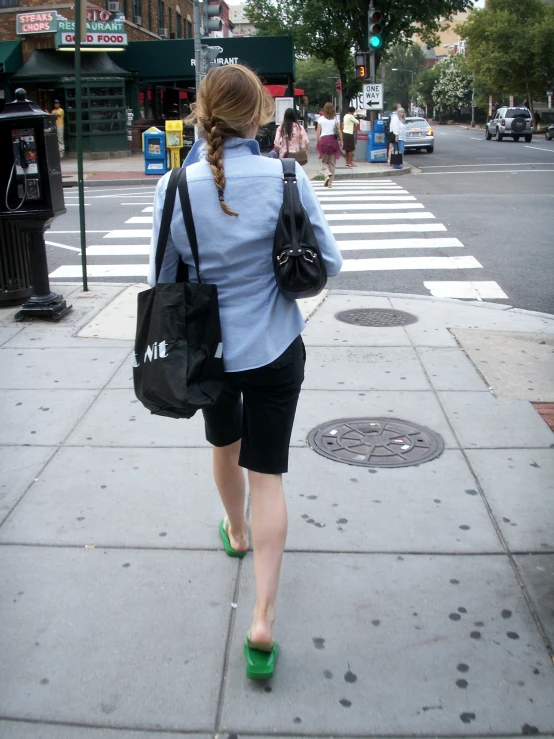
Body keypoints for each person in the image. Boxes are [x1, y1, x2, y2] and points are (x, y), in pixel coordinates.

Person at [147, 64, 342, 681]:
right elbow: (328, 261)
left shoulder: (176, 187)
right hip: (277, 349)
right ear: (259, 113)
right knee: (270, 476)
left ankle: (234, 531)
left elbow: (161, 283)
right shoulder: (288, 176)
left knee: (224, 446)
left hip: (209, 354)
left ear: (201, 114)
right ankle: (262, 617)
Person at [315, 102, 343, 188]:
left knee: (323, 162)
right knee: (332, 163)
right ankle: (330, 183)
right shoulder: (335, 119)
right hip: (333, 141)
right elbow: (339, 130)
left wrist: (317, 142)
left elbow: (318, 132)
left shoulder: (321, 119)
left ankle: (327, 174)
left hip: (324, 141)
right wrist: (341, 141)